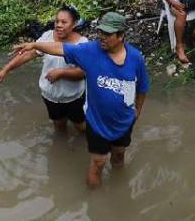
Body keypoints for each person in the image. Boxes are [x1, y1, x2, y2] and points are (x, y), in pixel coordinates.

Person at [11, 11, 149, 189]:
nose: (102, 38)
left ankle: (120, 188)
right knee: (98, 163)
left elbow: (143, 87)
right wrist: (33, 45)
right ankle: (95, 206)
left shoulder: (136, 58)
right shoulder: (91, 51)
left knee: (119, 157)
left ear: (121, 35)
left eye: (108, 34)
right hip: (97, 123)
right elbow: (60, 48)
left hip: (124, 121)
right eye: (101, 33)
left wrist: (137, 111)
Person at [0, 5, 88, 133]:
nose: (58, 25)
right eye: (57, 21)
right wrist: (6, 69)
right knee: (59, 125)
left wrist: (61, 73)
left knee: (81, 127)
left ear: (74, 24)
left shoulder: (82, 43)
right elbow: (29, 54)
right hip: (50, 96)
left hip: (73, 97)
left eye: (64, 22)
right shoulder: (48, 36)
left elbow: (83, 72)